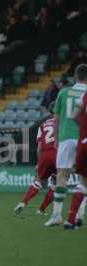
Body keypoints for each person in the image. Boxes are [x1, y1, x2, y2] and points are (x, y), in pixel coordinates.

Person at [45, 64, 87, 227]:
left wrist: (55, 138)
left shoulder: (63, 92)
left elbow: (57, 119)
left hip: (66, 138)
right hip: (83, 138)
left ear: (75, 77)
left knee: (62, 175)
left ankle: (56, 215)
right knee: (85, 178)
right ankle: (79, 215)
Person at [14, 103, 57, 215]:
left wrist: (38, 163)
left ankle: (23, 202)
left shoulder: (43, 125)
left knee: (38, 181)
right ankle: (41, 209)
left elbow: (39, 148)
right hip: (58, 154)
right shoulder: (64, 123)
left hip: (45, 154)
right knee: (56, 185)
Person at [64, 82, 87, 229]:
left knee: (83, 183)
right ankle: (78, 216)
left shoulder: (85, 95)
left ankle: (71, 219)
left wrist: (83, 128)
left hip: (84, 143)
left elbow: (72, 115)